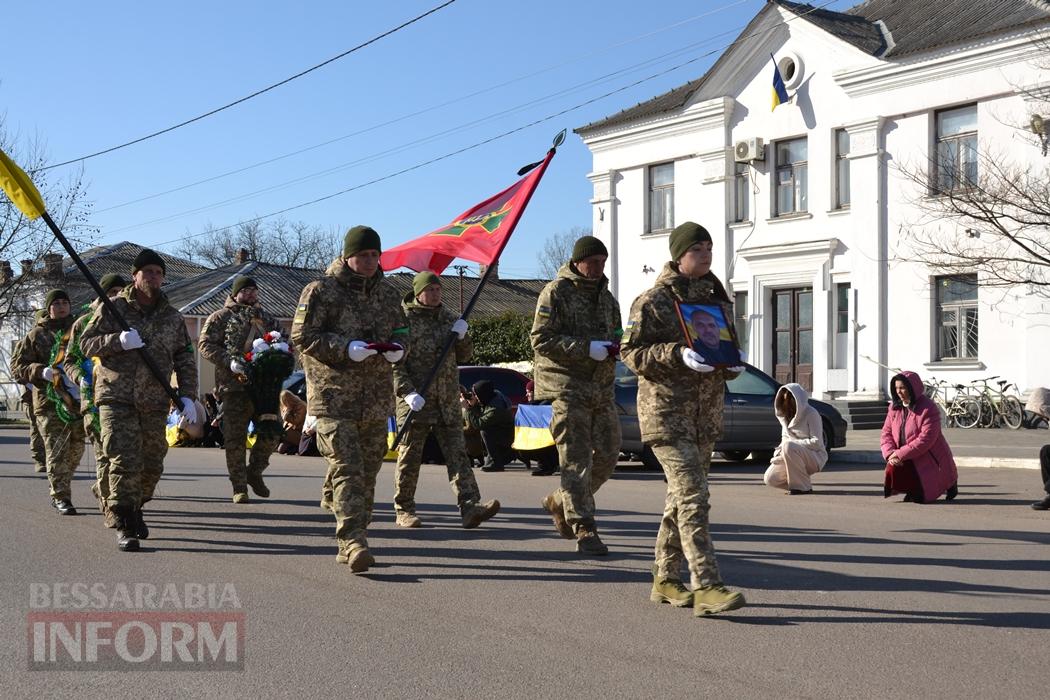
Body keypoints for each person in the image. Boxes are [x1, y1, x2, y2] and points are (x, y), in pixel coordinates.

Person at [621, 221, 747, 616]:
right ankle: (706, 585)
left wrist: (732, 364)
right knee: (694, 496)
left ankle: (665, 579)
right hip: (666, 415)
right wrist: (675, 354)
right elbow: (631, 353)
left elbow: (722, 350)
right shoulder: (653, 300)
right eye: (697, 249)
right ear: (678, 256)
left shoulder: (716, 300)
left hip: (704, 417)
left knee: (680, 500)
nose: (705, 255)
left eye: (709, 248)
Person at [291, 225, 409, 573]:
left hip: (375, 398)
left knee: (368, 471)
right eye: (363, 255)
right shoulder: (321, 290)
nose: (370, 261)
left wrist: (400, 349)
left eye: (375, 255)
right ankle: (354, 541)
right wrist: (345, 348)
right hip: (334, 397)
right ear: (347, 256)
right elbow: (302, 335)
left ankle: (353, 530)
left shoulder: (388, 294)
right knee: (348, 468)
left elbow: (403, 330)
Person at [80, 249, 199, 552]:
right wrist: (117, 342)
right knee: (124, 460)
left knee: (152, 464)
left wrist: (187, 396)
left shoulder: (172, 317)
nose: (153, 277)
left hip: (155, 400)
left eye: (158, 273)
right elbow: (85, 344)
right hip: (116, 396)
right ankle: (125, 524)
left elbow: (185, 358)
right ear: (135, 276)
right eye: (147, 272)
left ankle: (134, 507)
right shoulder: (113, 308)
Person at [531, 234, 622, 556]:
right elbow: (540, 339)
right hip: (568, 388)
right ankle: (584, 528)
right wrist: (586, 348)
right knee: (576, 460)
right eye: (593, 262)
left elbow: (618, 333)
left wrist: (617, 346)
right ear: (577, 261)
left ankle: (559, 500)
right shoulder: (556, 292)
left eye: (603, 262)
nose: (598, 268)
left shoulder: (607, 298)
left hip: (601, 388)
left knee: (609, 454)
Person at [391, 271, 500, 529]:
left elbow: (465, 355)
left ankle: (470, 507)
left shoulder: (450, 318)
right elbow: (394, 363)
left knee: (458, 455)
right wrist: (407, 392)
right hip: (416, 400)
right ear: (418, 293)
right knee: (409, 458)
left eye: (438, 289)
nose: (435, 294)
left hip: (446, 401)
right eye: (430, 290)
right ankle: (404, 509)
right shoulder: (403, 321)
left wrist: (462, 336)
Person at [198, 276, 283, 503]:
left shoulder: (266, 318)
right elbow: (205, 345)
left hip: (264, 388)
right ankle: (239, 487)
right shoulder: (220, 317)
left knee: (272, 431)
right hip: (234, 387)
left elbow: (282, 342)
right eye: (245, 290)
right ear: (235, 294)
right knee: (235, 439)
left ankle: (254, 471)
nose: (250, 294)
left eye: (254, 290)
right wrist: (230, 360)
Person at [11, 289, 86, 515]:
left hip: (77, 400)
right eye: (56, 303)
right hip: (49, 402)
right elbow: (17, 366)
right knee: (56, 449)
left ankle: (61, 482)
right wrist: (39, 371)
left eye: (65, 302)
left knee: (76, 448)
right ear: (48, 308)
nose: (61, 307)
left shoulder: (79, 329)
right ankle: (61, 496)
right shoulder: (36, 335)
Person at [64, 272, 127, 527]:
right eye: (111, 293)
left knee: (124, 455)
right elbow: (70, 360)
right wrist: (80, 377)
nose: (116, 297)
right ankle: (109, 506)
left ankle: (112, 494)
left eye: (120, 292)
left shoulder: (127, 320)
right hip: (94, 398)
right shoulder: (83, 323)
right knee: (104, 452)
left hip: (126, 397)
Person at [881, 370, 959, 503]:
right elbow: (886, 433)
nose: (899, 392)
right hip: (905, 455)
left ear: (912, 388)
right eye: (896, 388)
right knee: (892, 467)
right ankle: (911, 489)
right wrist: (890, 454)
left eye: (902, 388)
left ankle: (951, 484)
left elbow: (926, 439)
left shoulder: (928, 408)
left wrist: (899, 454)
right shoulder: (894, 407)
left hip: (929, 456)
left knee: (922, 497)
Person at [763, 384, 827, 494]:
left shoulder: (811, 413)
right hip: (791, 453)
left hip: (815, 456)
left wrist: (791, 445)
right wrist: (778, 454)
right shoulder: (785, 417)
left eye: (790, 402)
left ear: (798, 400)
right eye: (784, 402)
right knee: (770, 478)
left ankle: (801, 487)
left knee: (789, 446)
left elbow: (817, 442)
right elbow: (784, 439)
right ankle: (802, 483)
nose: (787, 405)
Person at [463, 380, 515, 473]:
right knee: (486, 430)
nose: (475, 397)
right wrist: (474, 404)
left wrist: (468, 409)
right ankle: (492, 460)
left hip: (507, 440)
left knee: (485, 431)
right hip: (501, 434)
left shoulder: (495, 408)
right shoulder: (491, 398)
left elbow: (478, 424)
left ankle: (496, 462)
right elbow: (481, 414)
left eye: (476, 395)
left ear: (483, 394)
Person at [517, 380, 559, 476]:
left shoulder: (546, 405)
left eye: (529, 392)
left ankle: (547, 465)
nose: (526, 395)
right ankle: (545, 465)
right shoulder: (535, 405)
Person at [277, 389, 307, 454]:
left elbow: (297, 421)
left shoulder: (301, 406)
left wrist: (286, 415)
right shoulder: (288, 407)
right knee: (281, 450)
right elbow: (285, 422)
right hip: (291, 431)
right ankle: (293, 447)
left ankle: (296, 446)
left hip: (299, 433)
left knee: (283, 434)